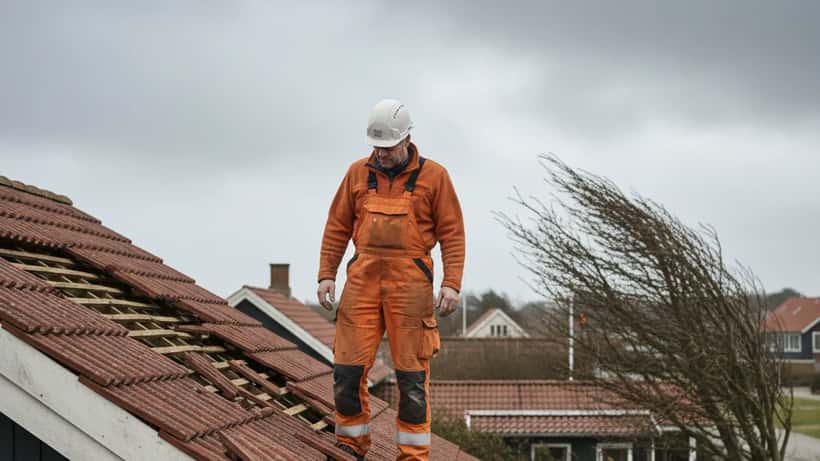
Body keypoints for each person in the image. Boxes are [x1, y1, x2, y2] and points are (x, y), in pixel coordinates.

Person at [317, 99, 465, 460]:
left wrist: (451, 283)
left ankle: (413, 456)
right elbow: (336, 226)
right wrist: (326, 275)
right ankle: (350, 445)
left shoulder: (435, 177)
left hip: (411, 287)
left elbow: (453, 233)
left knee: (412, 382)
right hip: (362, 282)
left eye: (387, 148)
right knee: (347, 372)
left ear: (407, 139)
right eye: (376, 148)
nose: (381, 155)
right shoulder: (356, 174)